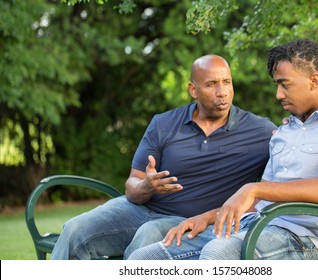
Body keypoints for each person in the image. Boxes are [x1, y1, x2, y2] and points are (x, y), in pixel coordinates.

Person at [127, 39, 318, 260]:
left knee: (218, 254)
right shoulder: (286, 131)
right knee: (147, 257)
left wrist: (253, 187)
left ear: (314, 80)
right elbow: (259, 202)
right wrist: (208, 216)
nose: (278, 95)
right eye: (276, 85)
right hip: (254, 226)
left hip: (303, 242)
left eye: (285, 85)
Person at [50, 54, 277, 259]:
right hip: (137, 209)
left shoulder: (260, 131)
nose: (222, 91)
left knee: (147, 239)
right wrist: (147, 186)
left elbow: (292, 152)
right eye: (211, 84)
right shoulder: (164, 123)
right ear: (193, 90)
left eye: (227, 82)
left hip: (190, 221)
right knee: (75, 230)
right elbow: (132, 185)